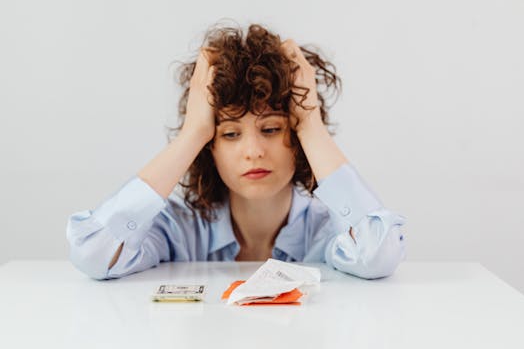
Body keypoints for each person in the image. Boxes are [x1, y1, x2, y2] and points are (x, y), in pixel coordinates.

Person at [66, 23, 406, 281]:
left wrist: (310, 121)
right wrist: (193, 132)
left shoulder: (326, 229)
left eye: (271, 129)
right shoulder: (179, 229)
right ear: (209, 147)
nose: (253, 151)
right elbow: (94, 255)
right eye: (230, 134)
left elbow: (377, 254)